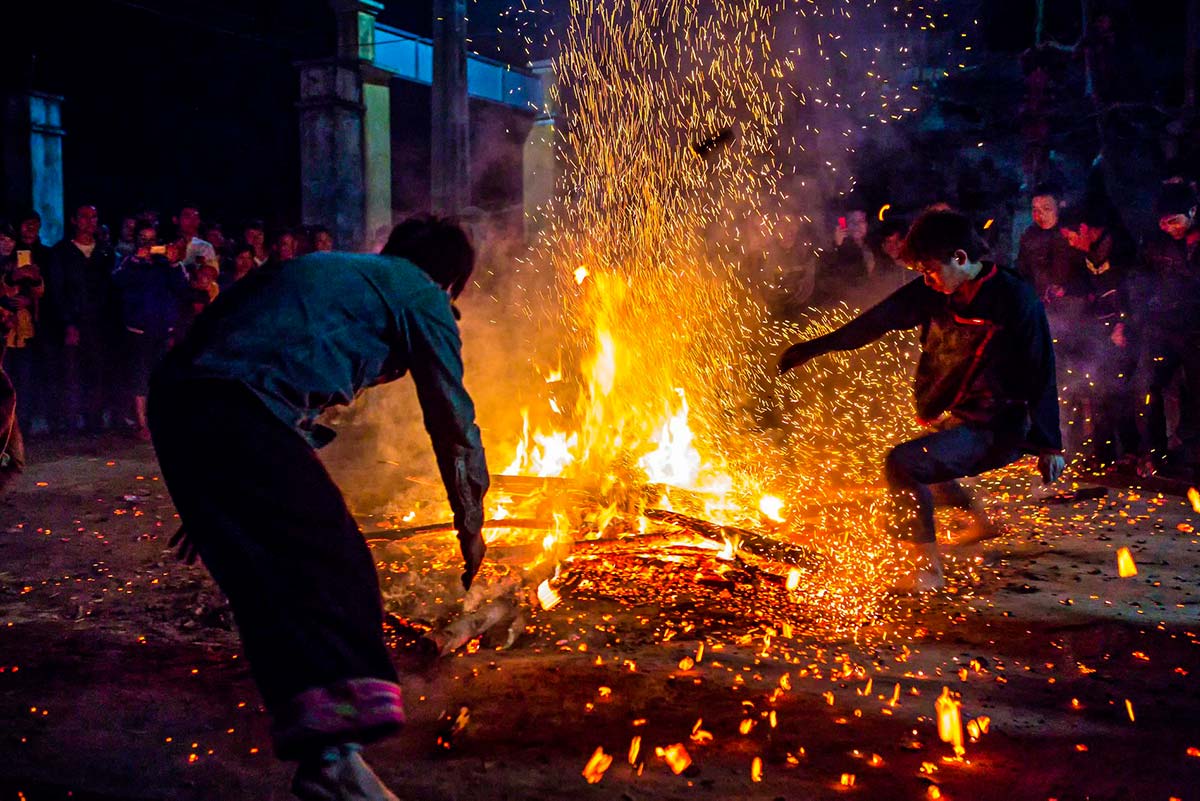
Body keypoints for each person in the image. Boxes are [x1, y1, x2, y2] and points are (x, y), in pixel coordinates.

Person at [148, 215, 489, 800]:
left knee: (266, 583)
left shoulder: (332, 273)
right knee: (336, 561)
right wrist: (471, 522)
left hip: (182, 404)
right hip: (236, 408)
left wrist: (210, 493)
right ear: (450, 282)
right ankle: (337, 750)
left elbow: (232, 345)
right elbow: (452, 419)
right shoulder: (417, 291)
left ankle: (328, 762)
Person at [779, 210, 1065, 592]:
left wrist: (1049, 444)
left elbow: (1040, 367)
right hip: (964, 415)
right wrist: (815, 348)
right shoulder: (934, 292)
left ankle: (926, 571)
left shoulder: (1014, 298)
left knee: (904, 464)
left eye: (931, 270)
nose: (926, 280)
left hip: (1002, 426)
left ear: (960, 258)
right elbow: (876, 321)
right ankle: (982, 523)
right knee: (933, 462)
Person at [1059, 203, 1139, 465]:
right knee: (1097, 389)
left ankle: (1133, 452)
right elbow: (1082, 287)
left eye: (1071, 237)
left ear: (1084, 229)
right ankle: (1103, 454)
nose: (1071, 243)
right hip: (1098, 331)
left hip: (1125, 331)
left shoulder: (1122, 250)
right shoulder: (1085, 255)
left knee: (1119, 391)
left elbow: (1136, 293)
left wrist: (1124, 324)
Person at [1133, 182, 1200, 480]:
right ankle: (1154, 453)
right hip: (1162, 326)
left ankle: (1191, 456)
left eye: (1174, 220)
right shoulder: (1155, 242)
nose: (1167, 227)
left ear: (1193, 212)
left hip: (1196, 330)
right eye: (1162, 221)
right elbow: (1139, 279)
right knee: (1148, 386)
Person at [112, 222, 189, 440]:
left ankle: (162, 420)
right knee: (139, 376)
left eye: (152, 240)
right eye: (143, 239)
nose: (148, 244)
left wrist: (174, 263)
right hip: (138, 330)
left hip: (164, 329)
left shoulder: (167, 264)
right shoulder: (129, 262)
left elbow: (183, 288)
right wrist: (137, 259)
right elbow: (117, 281)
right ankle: (141, 423)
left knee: (162, 376)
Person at [45, 204, 118, 432]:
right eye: (84, 217)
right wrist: (69, 322)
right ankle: (68, 420)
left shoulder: (105, 252)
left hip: (100, 323)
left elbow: (111, 288)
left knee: (97, 371)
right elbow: (57, 291)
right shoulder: (61, 252)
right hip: (73, 321)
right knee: (70, 372)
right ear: (74, 220)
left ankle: (94, 418)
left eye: (94, 216)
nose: (90, 221)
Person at [0, 221, 45, 433]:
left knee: (23, 379)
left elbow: (39, 292)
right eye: (2, 239)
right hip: (4, 329)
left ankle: (22, 423)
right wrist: (10, 282)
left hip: (22, 330)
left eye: (10, 239)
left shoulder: (22, 260)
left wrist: (34, 283)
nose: (7, 244)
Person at [1016, 185, 1081, 306]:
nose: (1040, 215)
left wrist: (1067, 289)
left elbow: (1089, 272)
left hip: (1073, 305)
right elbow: (1023, 271)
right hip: (1041, 305)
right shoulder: (1029, 236)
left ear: (1059, 207)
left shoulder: (1075, 234)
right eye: (1035, 210)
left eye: (1046, 209)